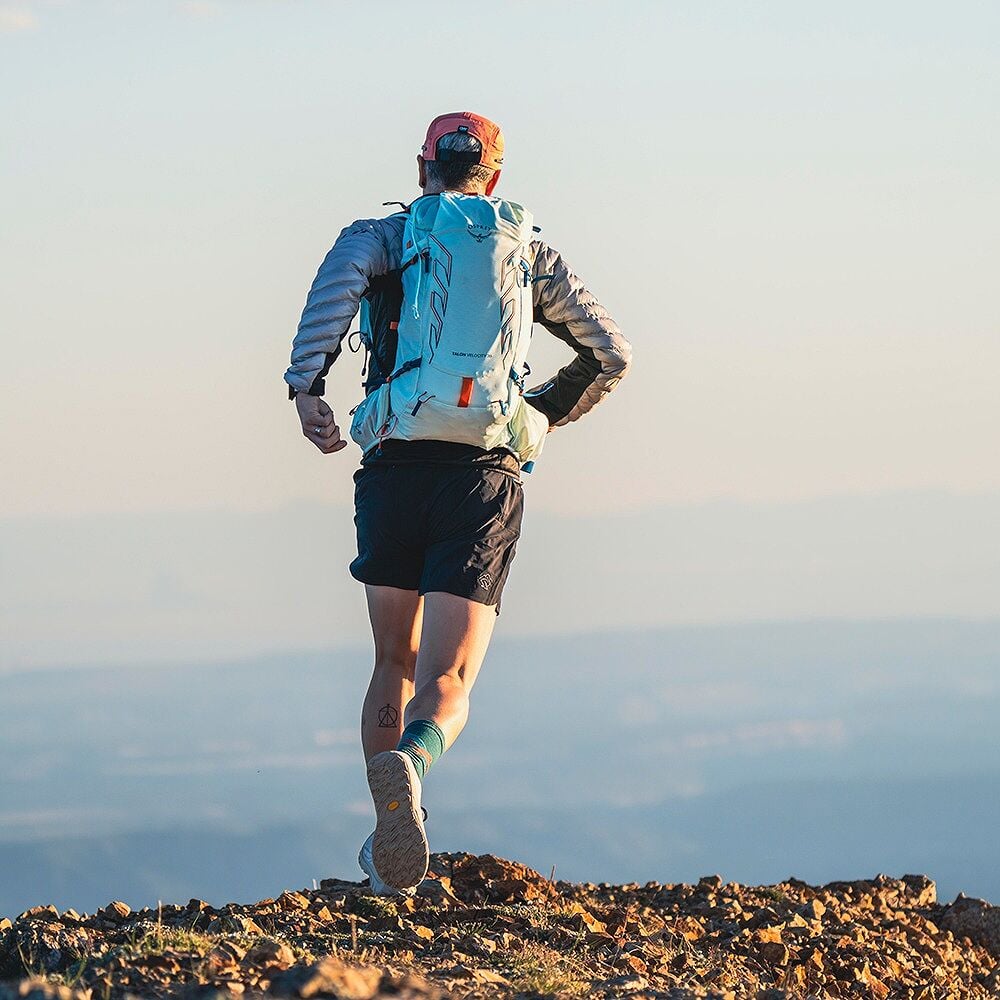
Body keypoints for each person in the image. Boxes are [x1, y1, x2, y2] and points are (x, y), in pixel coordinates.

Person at [284, 111, 631, 894]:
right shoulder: (528, 252)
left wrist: (307, 391)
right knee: (450, 678)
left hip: (394, 467)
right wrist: (538, 412)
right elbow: (612, 351)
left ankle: (387, 828)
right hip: (483, 474)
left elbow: (329, 303)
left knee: (390, 659)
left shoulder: (381, 236)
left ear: (422, 170)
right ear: (496, 177)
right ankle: (413, 762)